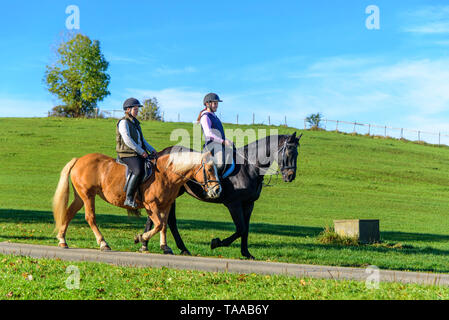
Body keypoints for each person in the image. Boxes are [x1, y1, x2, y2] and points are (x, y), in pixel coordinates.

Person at [116, 97, 156, 208]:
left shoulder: (135, 123)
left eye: (137, 109)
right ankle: (129, 198)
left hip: (136, 153)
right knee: (138, 170)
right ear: (128, 109)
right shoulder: (123, 122)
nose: (137, 111)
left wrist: (152, 150)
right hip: (126, 153)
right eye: (135, 109)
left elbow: (142, 140)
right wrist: (141, 151)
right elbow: (127, 140)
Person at [197, 93, 234, 177]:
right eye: (214, 103)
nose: (216, 105)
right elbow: (209, 134)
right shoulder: (205, 117)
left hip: (220, 146)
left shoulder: (214, 116)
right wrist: (223, 141)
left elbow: (219, 134)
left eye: (217, 103)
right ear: (207, 104)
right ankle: (214, 184)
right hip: (212, 147)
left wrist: (226, 140)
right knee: (220, 164)